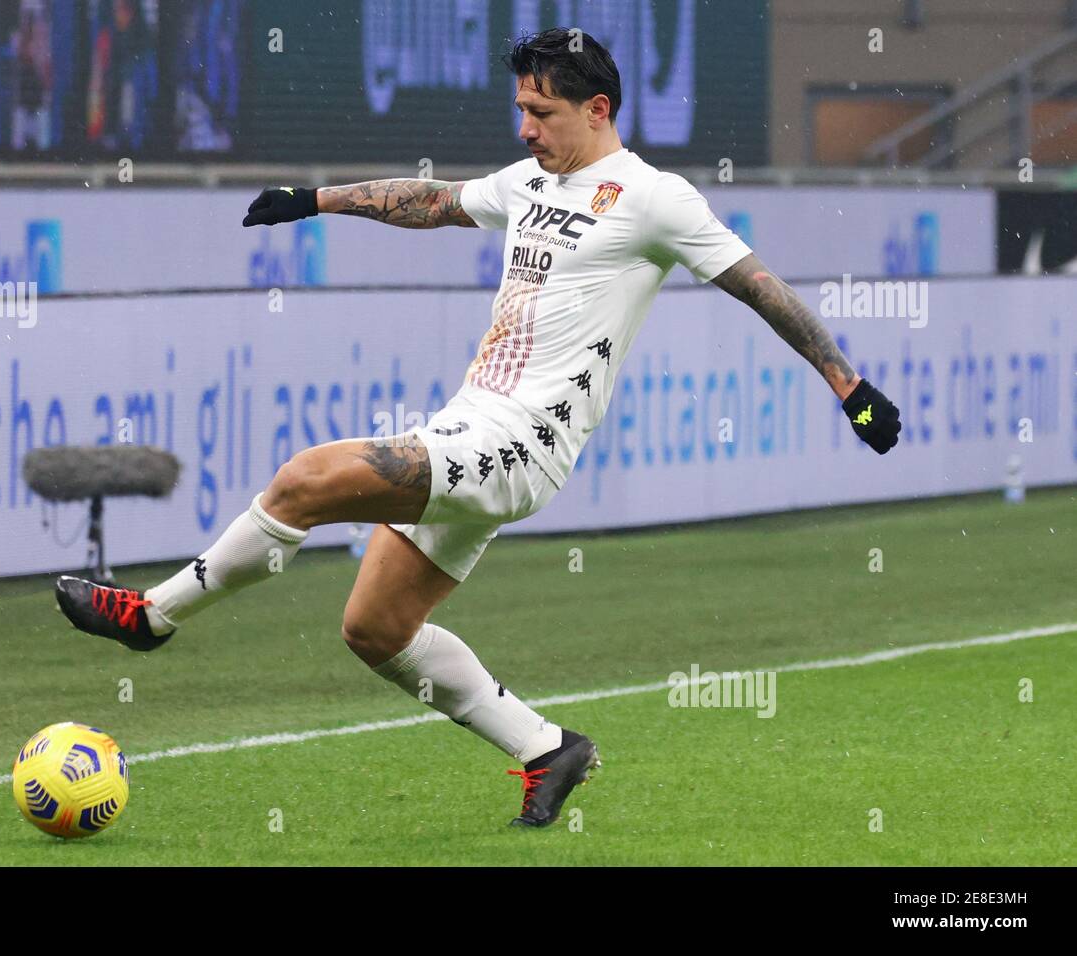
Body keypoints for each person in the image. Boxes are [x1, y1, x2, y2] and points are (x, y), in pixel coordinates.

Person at [56, 27, 901, 828]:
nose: (526, 128)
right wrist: (314, 200)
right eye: (522, 110)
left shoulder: (654, 198)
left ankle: (151, 617)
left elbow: (757, 285)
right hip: (468, 428)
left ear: (598, 109)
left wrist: (848, 384)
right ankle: (549, 749)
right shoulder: (530, 183)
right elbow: (432, 201)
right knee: (376, 631)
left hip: (523, 443)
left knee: (304, 480)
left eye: (543, 114)